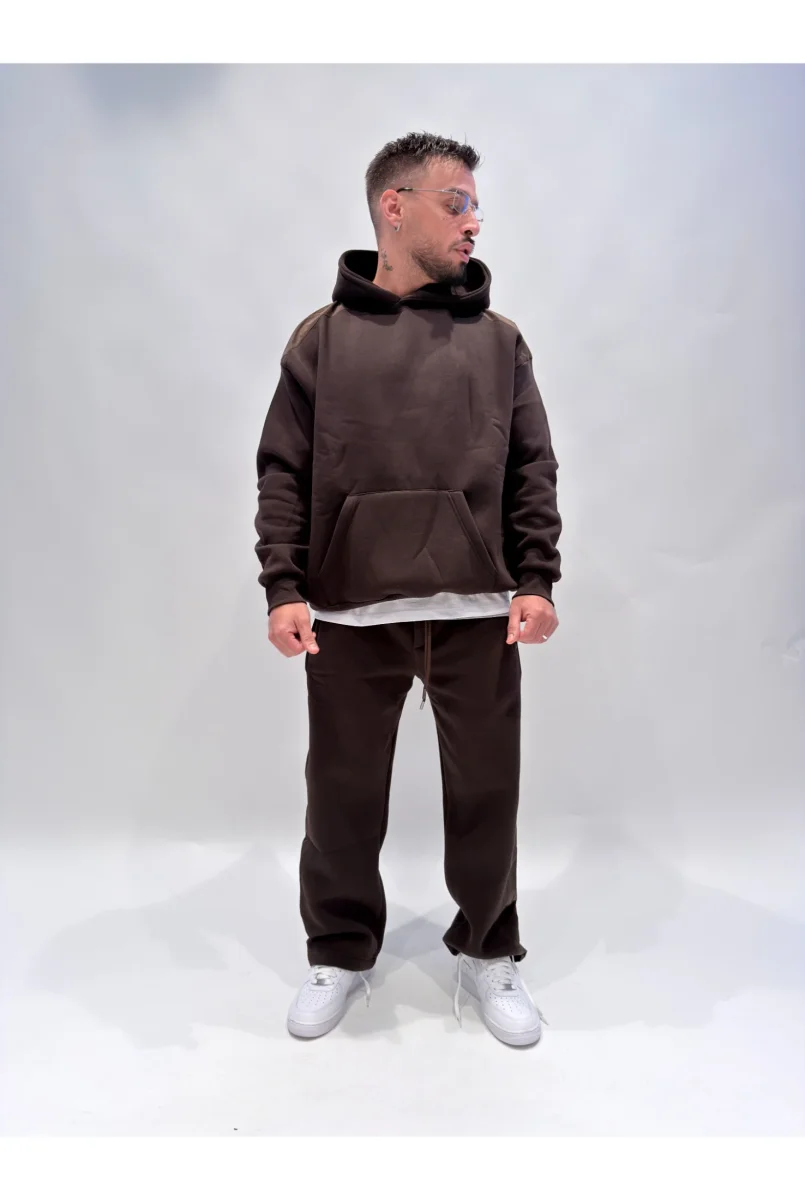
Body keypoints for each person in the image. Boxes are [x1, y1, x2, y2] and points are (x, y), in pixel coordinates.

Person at [254, 131, 562, 1047]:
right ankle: (340, 952)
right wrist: (283, 585)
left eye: (475, 204)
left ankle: (488, 950)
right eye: (455, 202)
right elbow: (282, 469)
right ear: (394, 207)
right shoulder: (320, 340)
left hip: (477, 610)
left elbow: (531, 467)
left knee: (487, 796)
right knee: (341, 797)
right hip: (349, 610)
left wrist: (536, 575)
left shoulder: (498, 342)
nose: (474, 221)